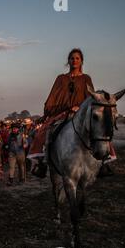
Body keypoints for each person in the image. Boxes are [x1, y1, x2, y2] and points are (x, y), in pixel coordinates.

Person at [28, 48, 95, 178]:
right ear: (68, 61)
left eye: (77, 58)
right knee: (44, 132)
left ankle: (103, 161)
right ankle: (42, 163)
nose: (74, 60)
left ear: (81, 61)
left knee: (99, 130)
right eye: (72, 58)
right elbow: (53, 96)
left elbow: (91, 97)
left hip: (81, 112)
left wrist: (79, 107)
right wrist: (50, 112)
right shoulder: (61, 78)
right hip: (62, 112)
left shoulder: (86, 78)